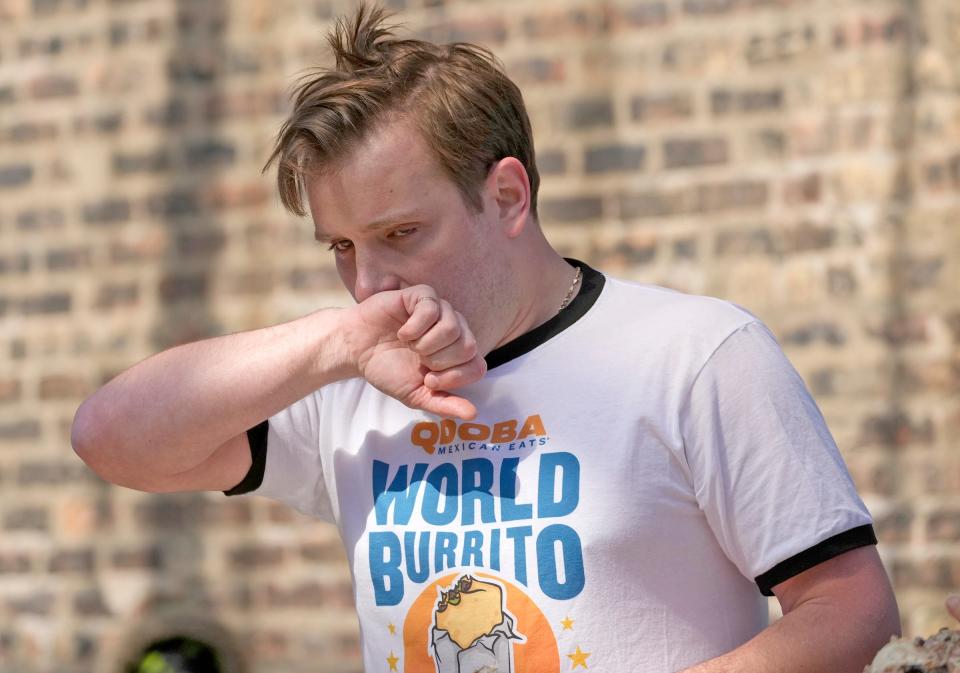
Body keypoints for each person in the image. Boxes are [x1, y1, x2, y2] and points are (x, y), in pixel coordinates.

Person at [72, 4, 901, 672]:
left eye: (401, 232)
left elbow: (851, 610)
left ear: (507, 196)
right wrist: (333, 344)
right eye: (342, 247)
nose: (370, 284)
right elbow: (112, 438)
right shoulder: (349, 376)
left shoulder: (697, 354)